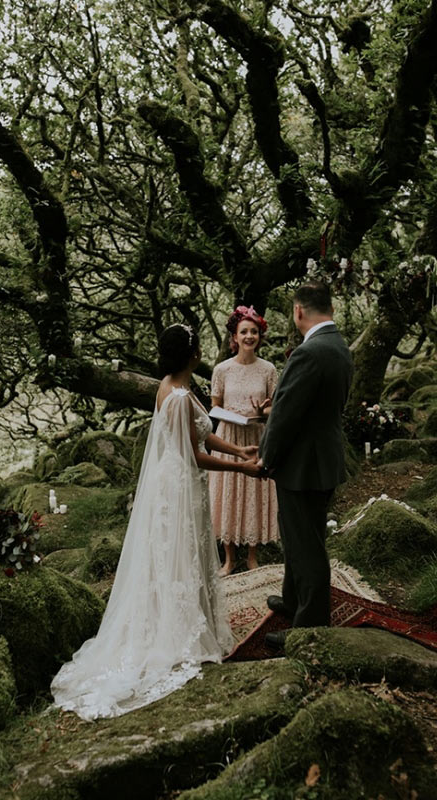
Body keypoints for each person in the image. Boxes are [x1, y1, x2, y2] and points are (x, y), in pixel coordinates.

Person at [51, 323, 262, 720]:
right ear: (192, 355)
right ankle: (179, 633)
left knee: (181, 553)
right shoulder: (179, 395)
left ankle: (183, 619)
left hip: (177, 480)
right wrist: (242, 470)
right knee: (180, 553)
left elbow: (202, 435)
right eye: (197, 345)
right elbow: (193, 455)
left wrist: (238, 449)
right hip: (181, 482)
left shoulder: (170, 386)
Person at [257, 282, 352, 648]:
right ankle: (294, 600)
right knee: (298, 535)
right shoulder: (339, 346)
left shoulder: (308, 352)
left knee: (307, 544)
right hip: (322, 458)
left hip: (303, 464)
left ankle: (309, 627)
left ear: (298, 311)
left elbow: (286, 416)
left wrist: (268, 455)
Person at [209, 305, 280, 575]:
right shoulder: (222, 370)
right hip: (229, 435)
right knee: (228, 492)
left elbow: (274, 407)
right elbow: (214, 407)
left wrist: (265, 410)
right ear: (235, 337)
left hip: (257, 434)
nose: (249, 336)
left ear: (259, 336)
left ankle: (252, 556)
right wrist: (233, 414)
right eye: (244, 332)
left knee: (254, 492)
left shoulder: (268, 370)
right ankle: (229, 558)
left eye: (254, 332)